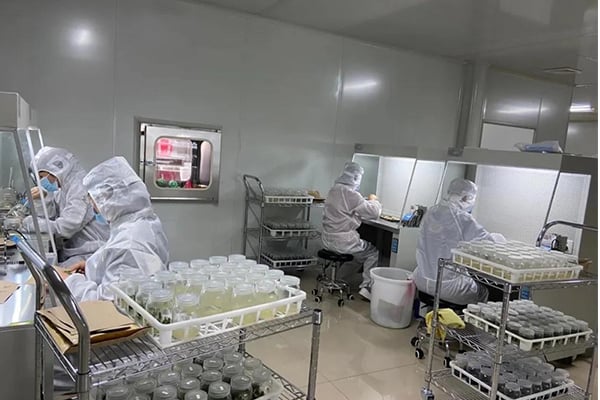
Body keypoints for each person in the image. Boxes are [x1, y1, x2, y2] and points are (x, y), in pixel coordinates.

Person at [59, 156, 169, 301]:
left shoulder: (127, 245)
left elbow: (106, 302)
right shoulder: (143, 221)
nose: (93, 206)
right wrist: (93, 267)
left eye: (93, 200)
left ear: (109, 199)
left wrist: (68, 281)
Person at [413, 178, 506, 305]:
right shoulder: (461, 217)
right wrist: (499, 238)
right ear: (465, 197)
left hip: (421, 279)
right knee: (485, 292)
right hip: (448, 287)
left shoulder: (431, 211)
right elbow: (489, 243)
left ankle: (439, 315)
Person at [21, 147, 109, 266]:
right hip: (77, 251)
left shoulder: (79, 187)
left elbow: (66, 227)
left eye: (42, 177)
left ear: (56, 169)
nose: (41, 182)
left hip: (91, 253)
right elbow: (51, 216)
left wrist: (31, 223)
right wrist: (43, 198)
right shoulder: (64, 186)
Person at [321, 162, 382, 301]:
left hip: (327, 239)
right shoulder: (350, 193)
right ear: (356, 178)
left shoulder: (334, 190)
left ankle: (338, 279)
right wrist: (373, 200)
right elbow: (374, 213)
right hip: (344, 241)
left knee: (357, 256)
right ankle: (367, 288)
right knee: (372, 253)